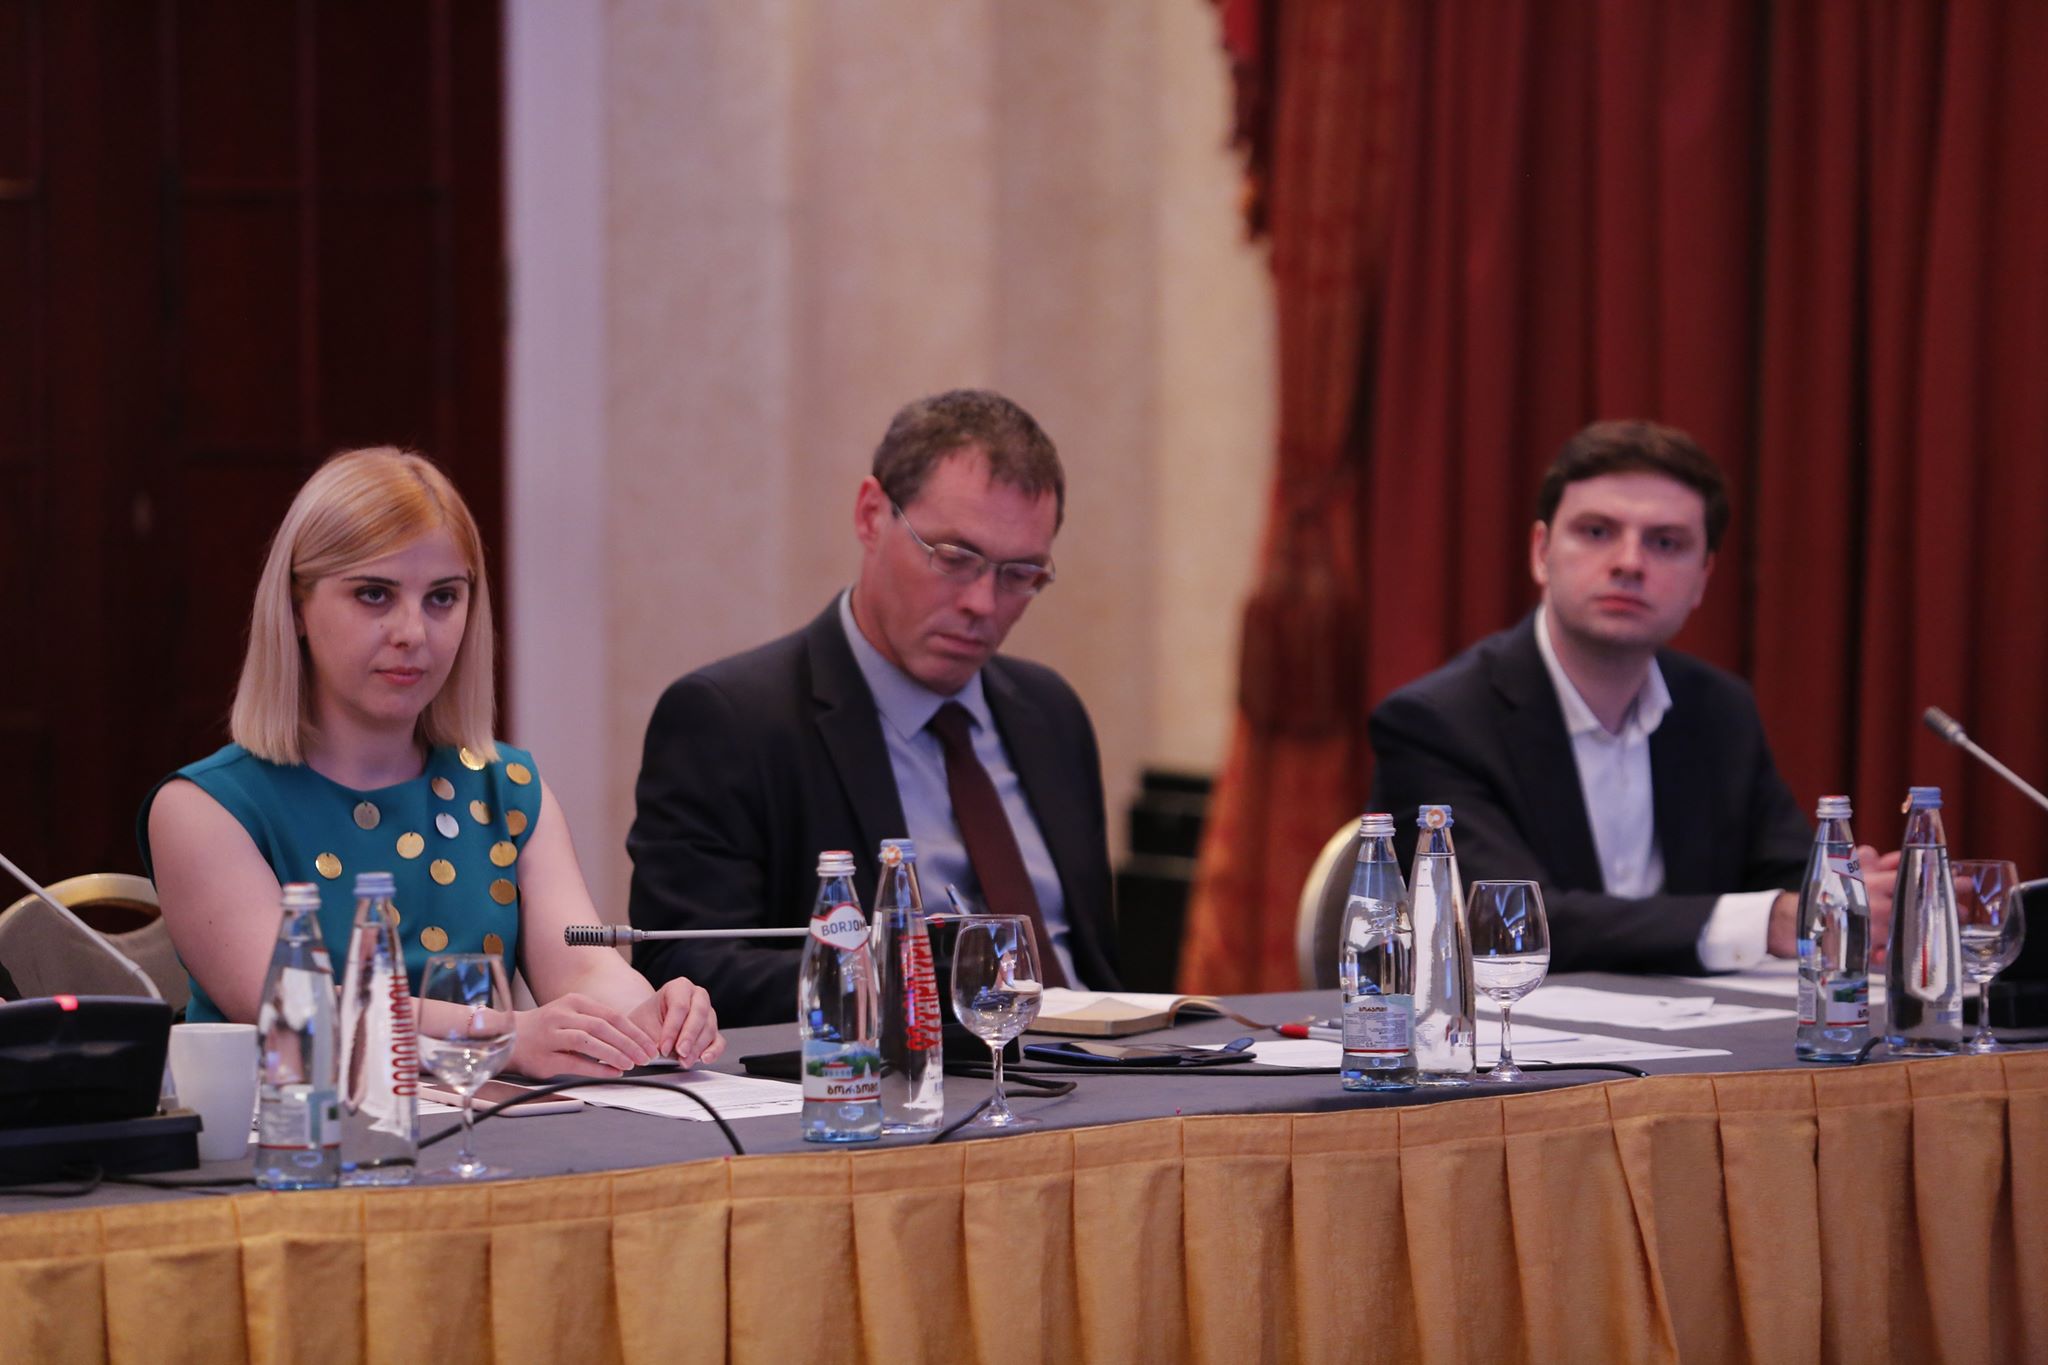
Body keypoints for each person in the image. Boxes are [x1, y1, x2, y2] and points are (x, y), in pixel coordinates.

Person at [141, 448, 724, 1077]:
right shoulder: (203, 808)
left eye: (443, 597)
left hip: (483, 1126)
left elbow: (582, 967)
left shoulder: (507, 786)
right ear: (296, 608)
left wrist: (647, 1017)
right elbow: (296, 1012)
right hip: (291, 1130)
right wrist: (502, 1036)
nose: (413, 632)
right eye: (374, 594)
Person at [628, 389, 1119, 1026]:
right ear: (870, 516)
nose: (982, 603)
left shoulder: (1050, 714)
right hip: (888, 1075)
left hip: (1098, 1065)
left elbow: (1099, 968)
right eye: (954, 558)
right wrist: (917, 982)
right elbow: (688, 972)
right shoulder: (729, 721)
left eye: (1020, 574)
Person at [1367, 420, 1898, 975]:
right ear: (1542, 552)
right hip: (1514, 1025)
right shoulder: (1437, 722)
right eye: (1597, 532)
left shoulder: (1719, 709)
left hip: (1701, 1025)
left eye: (1665, 543)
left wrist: (1845, 892)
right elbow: (1503, 921)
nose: (1629, 563)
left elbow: (1784, 878)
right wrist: (1769, 921)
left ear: (1702, 577)